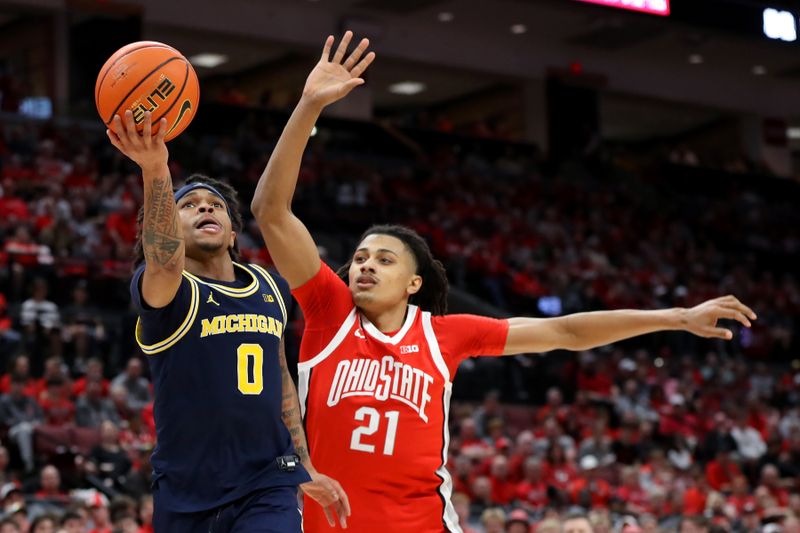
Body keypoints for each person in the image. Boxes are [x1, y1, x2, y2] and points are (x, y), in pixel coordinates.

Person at [251, 31, 758, 533]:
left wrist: (677, 317)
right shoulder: (328, 310)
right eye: (360, 257)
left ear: (413, 282)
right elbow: (270, 212)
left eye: (384, 260)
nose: (364, 266)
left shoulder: (444, 334)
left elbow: (566, 332)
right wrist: (309, 107)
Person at [106, 107, 347, 532]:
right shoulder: (168, 288)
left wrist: (304, 464)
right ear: (169, 227)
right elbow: (163, 262)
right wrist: (156, 169)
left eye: (215, 205)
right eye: (190, 206)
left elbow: (278, 373)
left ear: (233, 233)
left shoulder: (269, 287)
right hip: (186, 488)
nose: (205, 209)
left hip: (266, 481)